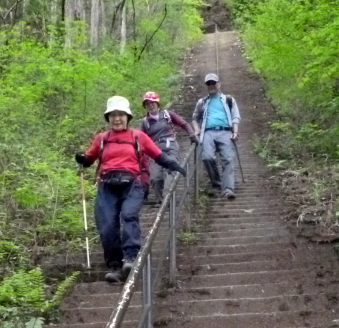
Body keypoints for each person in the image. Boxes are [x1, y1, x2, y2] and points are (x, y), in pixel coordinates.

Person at [75, 96, 187, 284]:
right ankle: (114, 266)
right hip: (106, 185)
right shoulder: (102, 139)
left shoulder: (138, 136)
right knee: (107, 226)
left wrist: (176, 166)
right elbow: (89, 159)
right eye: (113, 115)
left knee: (128, 215)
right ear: (108, 118)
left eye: (121, 115)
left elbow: (158, 156)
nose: (117, 119)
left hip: (133, 184)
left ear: (128, 117)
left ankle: (131, 258)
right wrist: (81, 158)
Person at [138, 91, 196, 205]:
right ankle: (160, 201)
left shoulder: (167, 114)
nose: (151, 105)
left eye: (153, 103)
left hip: (171, 146)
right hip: (154, 150)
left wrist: (192, 135)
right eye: (148, 104)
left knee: (170, 170)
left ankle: (167, 199)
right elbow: (138, 138)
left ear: (157, 103)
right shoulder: (144, 122)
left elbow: (183, 123)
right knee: (155, 178)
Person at [191, 73, 241, 200]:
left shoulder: (229, 100)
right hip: (208, 132)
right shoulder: (202, 102)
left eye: (213, 83)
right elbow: (195, 118)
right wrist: (197, 131)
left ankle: (228, 189)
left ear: (219, 83)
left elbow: (235, 117)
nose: (211, 85)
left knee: (228, 159)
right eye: (208, 83)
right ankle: (217, 183)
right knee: (207, 158)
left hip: (225, 131)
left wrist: (235, 131)